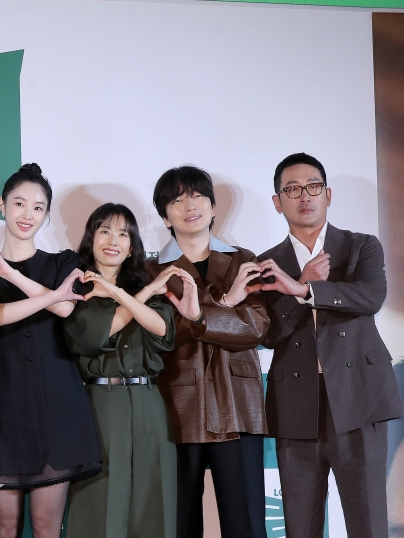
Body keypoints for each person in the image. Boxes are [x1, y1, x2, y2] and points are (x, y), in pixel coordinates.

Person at [258, 153, 403, 538]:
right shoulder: (266, 263)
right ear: (277, 202)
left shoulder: (360, 246)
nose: (304, 196)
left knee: (369, 523)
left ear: (328, 194)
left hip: (359, 398)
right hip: (296, 404)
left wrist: (307, 289)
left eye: (313, 186)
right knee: (300, 525)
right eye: (292, 189)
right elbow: (267, 333)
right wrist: (296, 289)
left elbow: (371, 297)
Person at [0, 163, 102, 538]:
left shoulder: (63, 261)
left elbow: (66, 308)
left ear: (45, 215)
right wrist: (50, 295)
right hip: (3, 402)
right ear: (2, 205)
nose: (27, 214)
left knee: (46, 525)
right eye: (19, 203)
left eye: (38, 207)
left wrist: (11, 274)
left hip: (57, 400)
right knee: (4, 525)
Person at [145, 166, 269, 538]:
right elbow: (160, 336)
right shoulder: (150, 271)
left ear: (213, 207)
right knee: (178, 522)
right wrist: (227, 303)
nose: (190, 206)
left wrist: (199, 315)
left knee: (245, 523)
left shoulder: (243, 259)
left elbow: (256, 326)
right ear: (165, 216)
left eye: (198, 196)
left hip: (237, 403)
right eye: (177, 200)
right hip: (176, 405)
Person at [63, 203, 178, 538]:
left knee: (153, 501)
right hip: (101, 402)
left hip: (149, 401)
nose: (113, 240)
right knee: (99, 501)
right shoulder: (75, 289)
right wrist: (134, 293)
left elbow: (161, 329)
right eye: (105, 231)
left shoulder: (149, 289)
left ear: (131, 247)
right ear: (91, 240)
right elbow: (97, 334)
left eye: (123, 234)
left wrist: (121, 292)